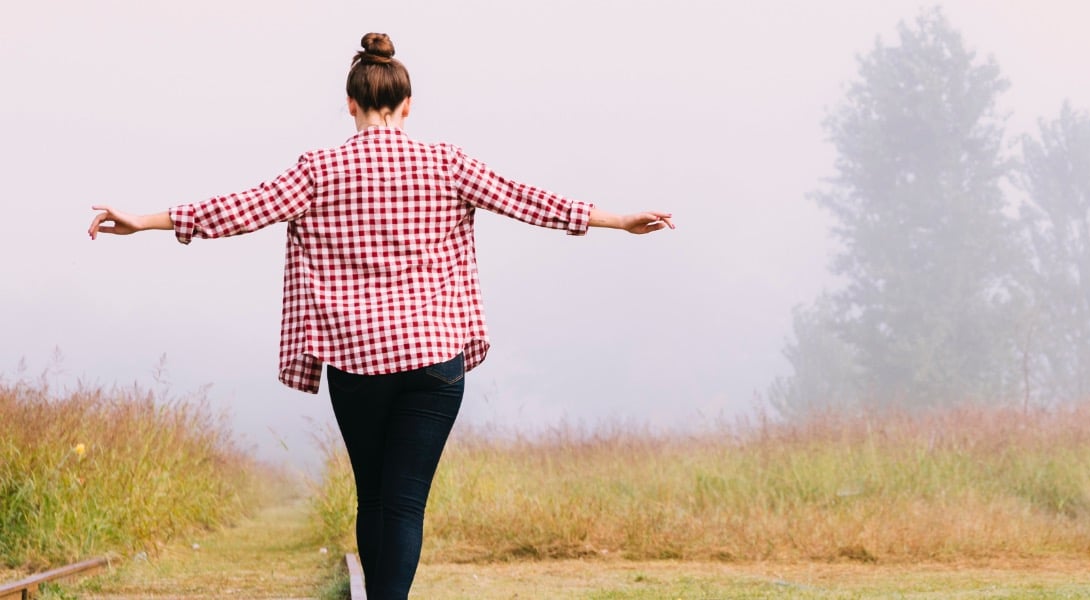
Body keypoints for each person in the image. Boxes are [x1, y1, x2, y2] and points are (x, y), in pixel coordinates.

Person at [87, 32, 673, 599]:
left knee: (372, 496)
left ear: (350, 104)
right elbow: (529, 200)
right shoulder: (446, 163)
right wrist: (619, 220)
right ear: (408, 105)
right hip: (435, 358)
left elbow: (238, 210)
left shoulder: (317, 169)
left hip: (355, 359)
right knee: (406, 501)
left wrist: (143, 220)